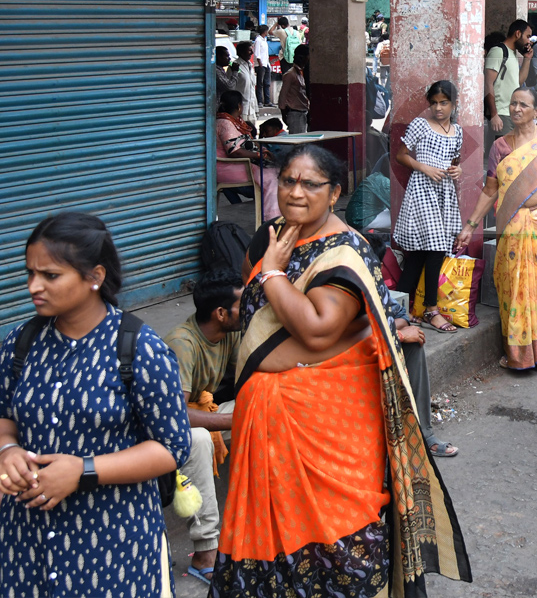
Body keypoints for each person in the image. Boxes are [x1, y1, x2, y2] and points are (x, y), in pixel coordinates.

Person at [210, 145, 471, 594]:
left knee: (337, 543)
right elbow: (255, 313)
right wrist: (268, 268)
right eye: (288, 180)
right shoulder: (270, 237)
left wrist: (273, 276)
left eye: (310, 184)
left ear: (334, 194)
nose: (295, 192)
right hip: (266, 418)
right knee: (269, 544)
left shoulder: (347, 252)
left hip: (327, 426)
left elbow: (316, 330)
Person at [0, 213, 191, 595]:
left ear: (94, 277)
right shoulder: (21, 343)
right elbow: (5, 417)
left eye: (50, 276)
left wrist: (83, 470)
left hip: (112, 546)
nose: (34, 286)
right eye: (30, 273)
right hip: (27, 542)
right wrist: (7, 450)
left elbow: (172, 448)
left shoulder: (140, 350)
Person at [455, 87, 537, 373]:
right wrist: (470, 225)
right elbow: (490, 190)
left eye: (523, 105)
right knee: (513, 288)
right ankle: (520, 356)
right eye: (513, 103)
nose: (516, 109)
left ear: (536, 110)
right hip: (512, 228)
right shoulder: (501, 146)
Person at [164, 267, 243, 584]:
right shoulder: (182, 344)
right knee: (198, 439)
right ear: (221, 313)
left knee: (273, 406)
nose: (248, 308)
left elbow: (251, 376)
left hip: (206, 410)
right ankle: (205, 554)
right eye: (242, 304)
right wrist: (232, 420)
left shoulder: (230, 333)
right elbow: (174, 416)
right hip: (169, 427)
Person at [393, 81, 463, 334]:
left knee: (421, 253)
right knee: (435, 248)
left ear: (454, 103)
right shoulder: (420, 125)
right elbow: (401, 155)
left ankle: (396, 305)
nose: (438, 108)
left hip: (444, 193)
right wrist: (424, 167)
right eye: (434, 103)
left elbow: (454, 161)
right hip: (422, 189)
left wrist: (458, 170)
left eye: (444, 102)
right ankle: (431, 309)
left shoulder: (457, 131)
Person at [216, 90, 282, 220]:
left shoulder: (231, 121)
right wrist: (258, 155)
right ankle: (272, 219)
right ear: (240, 106)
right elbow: (235, 151)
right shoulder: (225, 123)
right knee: (272, 177)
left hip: (231, 166)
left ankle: (272, 214)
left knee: (276, 172)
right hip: (229, 167)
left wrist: (260, 152)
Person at [485, 20, 534, 154]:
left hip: (512, 114)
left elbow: (518, 82)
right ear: (518, 34)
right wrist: (494, 114)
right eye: (528, 36)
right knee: (503, 157)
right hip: (501, 115)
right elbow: (487, 83)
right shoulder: (498, 51)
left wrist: (527, 58)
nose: (528, 41)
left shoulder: (511, 54)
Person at [278, 43, 311, 133]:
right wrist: (284, 115)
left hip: (304, 111)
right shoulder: (290, 75)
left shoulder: (302, 73)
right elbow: (282, 96)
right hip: (295, 113)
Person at [233, 40, 259, 123]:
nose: (251, 53)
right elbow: (231, 86)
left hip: (251, 108)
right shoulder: (235, 66)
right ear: (241, 52)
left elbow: (252, 88)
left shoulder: (250, 65)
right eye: (249, 50)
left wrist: (255, 108)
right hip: (241, 109)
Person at [214, 44, 239, 111]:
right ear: (219, 57)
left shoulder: (220, 70)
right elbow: (229, 87)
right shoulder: (216, 71)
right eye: (227, 56)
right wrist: (235, 72)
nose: (229, 59)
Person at [253, 24, 273, 107]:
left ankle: (267, 101)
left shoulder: (264, 40)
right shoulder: (258, 40)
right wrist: (260, 63)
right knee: (260, 83)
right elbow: (257, 53)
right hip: (261, 64)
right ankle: (260, 101)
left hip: (266, 63)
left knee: (267, 83)